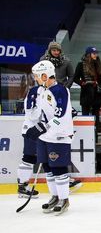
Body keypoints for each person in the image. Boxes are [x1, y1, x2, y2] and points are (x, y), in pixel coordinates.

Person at [25, 61, 73, 214]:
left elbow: (60, 116)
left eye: (37, 76)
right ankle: (55, 196)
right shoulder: (44, 91)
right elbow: (44, 115)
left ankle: (64, 199)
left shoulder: (60, 90)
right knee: (47, 167)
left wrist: (42, 127)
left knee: (58, 167)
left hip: (58, 136)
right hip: (45, 136)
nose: (36, 79)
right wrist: (37, 127)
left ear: (45, 76)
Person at [16, 65, 46, 197]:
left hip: (41, 130)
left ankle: (62, 179)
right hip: (31, 130)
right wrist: (44, 111)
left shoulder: (48, 91)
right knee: (29, 158)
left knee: (49, 156)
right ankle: (22, 186)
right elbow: (31, 113)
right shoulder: (34, 91)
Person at [73, 47, 101, 130]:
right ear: (89, 54)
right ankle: (85, 135)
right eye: (94, 53)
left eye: (96, 53)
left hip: (98, 94)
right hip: (87, 93)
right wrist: (82, 83)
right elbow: (75, 78)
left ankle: (95, 137)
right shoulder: (81, 64)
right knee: (85, 116)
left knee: (96, 116)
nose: (96, 55)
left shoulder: (100, 64)